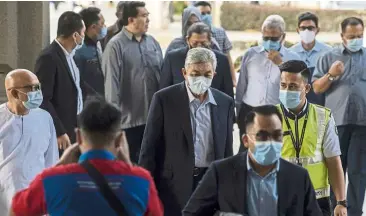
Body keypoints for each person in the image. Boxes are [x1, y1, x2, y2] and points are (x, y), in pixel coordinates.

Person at [10, 97, 163, 216]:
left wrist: (58, 166)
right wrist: (129, 167)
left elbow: (16, 211)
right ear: (119, 140)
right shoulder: (141, 181)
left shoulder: (52, 180)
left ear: (78, 137)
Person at [139, 47, 234, 216]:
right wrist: (146, 189)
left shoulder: (224, 103)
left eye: (207, 74)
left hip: (210, 182)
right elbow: (149, 148)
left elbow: (227, 150)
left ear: (214, 74)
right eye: (195, 73)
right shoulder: (164, 99)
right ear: (184, 72)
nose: (201, 79)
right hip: (174, 185)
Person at [182, 105, 322, 216]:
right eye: (262, 136)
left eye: (277, 135)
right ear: (246, 140)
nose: (271, 142)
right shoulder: (221, 172)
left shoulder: (298, 177)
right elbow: (191, 213)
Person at [277, 60, 347, 216]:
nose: (287, 90)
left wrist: (341, 202)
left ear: (307, 88)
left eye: (293, 86)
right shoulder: (270, 117)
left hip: (316, 200)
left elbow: (334, 161)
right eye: (283, 85)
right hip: (280, 197)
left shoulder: (323, 117)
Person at [313, 17, 366, 216]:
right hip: (336, 123)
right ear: (342, 36)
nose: (356, 39)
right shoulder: (328, 57)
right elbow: (317, 88)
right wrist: (332, 74)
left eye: (359, 36)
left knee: (358, 173)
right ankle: (336, 209)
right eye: (351, 36)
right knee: (335, 170)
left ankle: (354, 213)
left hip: (362, 124)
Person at [103, 1, 163, 163]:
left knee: (151, 167)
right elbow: (111, 88)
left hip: (153, 120)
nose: (148, 20)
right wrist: (114, 125)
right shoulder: (115, 46)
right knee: (127, 169)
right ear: (131, 20)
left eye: (148, 15)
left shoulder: (153, 43)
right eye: (144, 16)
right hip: (128, 124)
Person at [236, 15, 300, 152]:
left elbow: (296, 85)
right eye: (266, 38)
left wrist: (281, 64)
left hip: (278, 112)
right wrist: (238, 109)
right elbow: (242, 84)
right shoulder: (251, 54)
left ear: (283, 37)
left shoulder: (293, 57)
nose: (269, 41)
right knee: (246, 149)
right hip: (250, 109)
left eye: (274, 38)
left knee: (275, 150)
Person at [0, 69, 58, 216]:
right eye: (31, 88)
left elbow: (51, 161)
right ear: (14, 93)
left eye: (38, 87)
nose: (37, 92)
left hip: (37, 197)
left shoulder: (45, 118)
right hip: (5, 197)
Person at [35, 11, 87, 155]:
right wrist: (59, 131)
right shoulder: (48, 57)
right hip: (61, 131)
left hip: (74, 126)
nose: (83, 37)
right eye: (82, 33)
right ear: (75, 35)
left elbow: (78, 87)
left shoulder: (70, 56)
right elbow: (43, 99)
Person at [160, 23, 234, 99]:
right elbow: (164, 89)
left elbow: (228, 93)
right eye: (195, 43)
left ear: (210, 40)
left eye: (203, 43)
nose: (199, 47)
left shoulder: (222, 59)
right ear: (187, 40)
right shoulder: (173, 58)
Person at [290, 12, 332, 106]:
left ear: (317, 30)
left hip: (322, 104)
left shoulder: (328, 52)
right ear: (298, 30)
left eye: (310, 28)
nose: (306, 31)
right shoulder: (291, 53)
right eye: (303, 28)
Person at [194, 1, 237, 87]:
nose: (206, 16)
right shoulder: (192, 35)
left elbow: (228, 57)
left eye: (208, 13)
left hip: (218, 75)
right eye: (203, 13)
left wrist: (233, 79)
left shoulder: (220, 32)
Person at [74, 7, 106, 97]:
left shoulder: (98, 44)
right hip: (88, 103)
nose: (105, 27)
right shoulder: (79, 51)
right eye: (102, 24)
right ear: (93, 27)